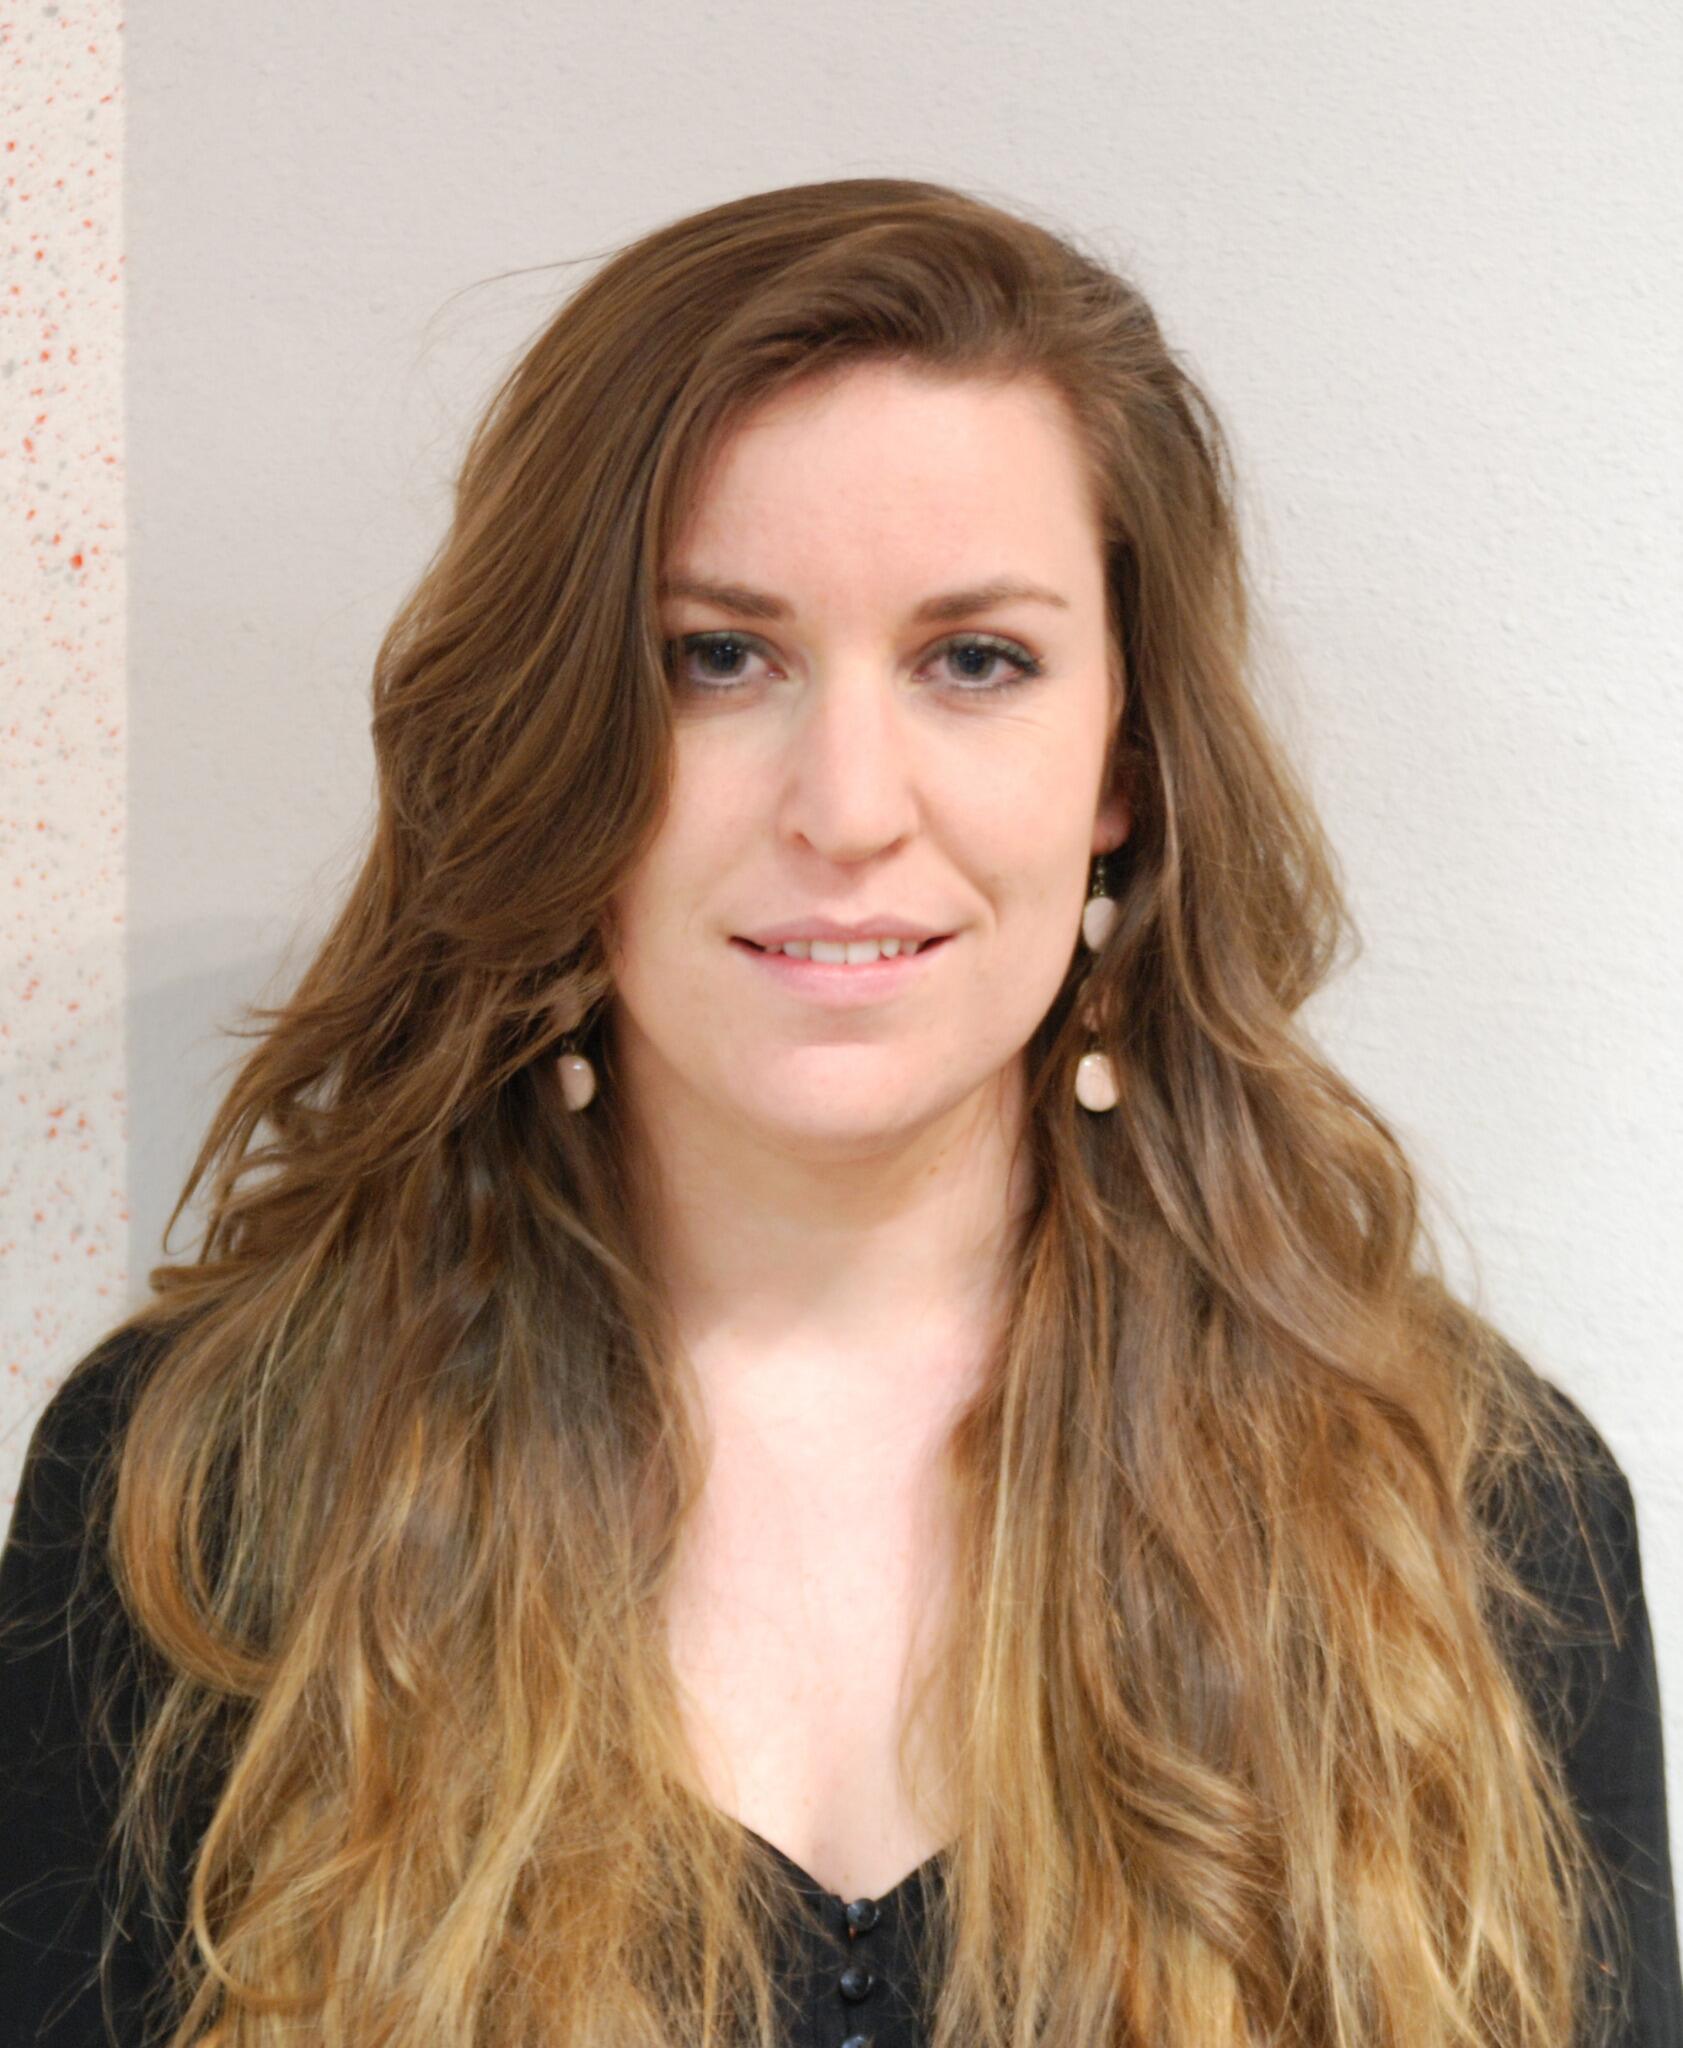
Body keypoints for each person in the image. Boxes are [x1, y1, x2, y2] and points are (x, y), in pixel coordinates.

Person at [1, 175, 1678, 2048]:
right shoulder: (203, 1490)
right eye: (719, 657)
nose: (850, 806)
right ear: (555, 736)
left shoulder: (1472, 1521)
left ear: (1123, 762)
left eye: (978, 661)